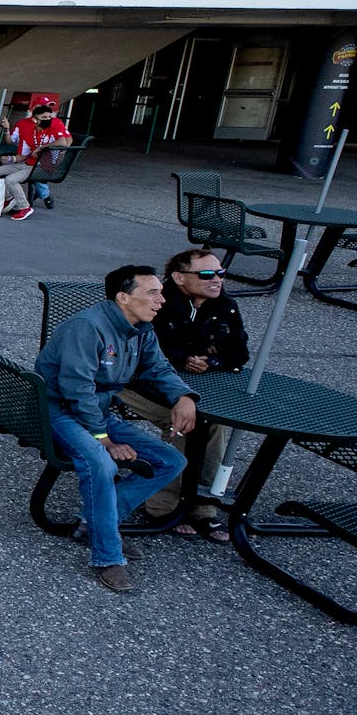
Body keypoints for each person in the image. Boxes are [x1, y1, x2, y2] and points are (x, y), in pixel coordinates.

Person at [34, 265, 192, 593]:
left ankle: (94, 522)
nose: (162, 299)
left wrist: (183, 396)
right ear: (123, 297)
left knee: (172, 461)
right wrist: (103, 439)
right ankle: (107, 556)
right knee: (101, 463)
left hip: (97, 412)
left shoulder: (142, 327)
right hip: (60, 413)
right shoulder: (87, 327)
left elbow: (159, 366)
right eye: (152, 292)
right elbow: (76, 389)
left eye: (160, 292)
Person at [124, 249, 248, 542]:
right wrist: (183, 359)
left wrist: (212, 362)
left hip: (194, 385)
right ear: (179, 278)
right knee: (184, 421)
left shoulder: (225, 305)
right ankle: (163, 505)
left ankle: (203, 505)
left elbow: (240, 352)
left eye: (220, 273)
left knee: (216, 422)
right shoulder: (155, 300)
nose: (216, 279)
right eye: (206, 274)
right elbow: (139, 351)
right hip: (138, 383)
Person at [10, 103, 73, 208]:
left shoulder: (55, 122)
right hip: (30, 156)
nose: (44, 110)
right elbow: (15, 141)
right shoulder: (24, 123)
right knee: (15, 168)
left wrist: (56, 152)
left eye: (47, 107)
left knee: (34, 172)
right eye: (39, 107)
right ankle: (13, 199)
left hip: (48, 159)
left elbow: (67, 140)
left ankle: (43, 195)